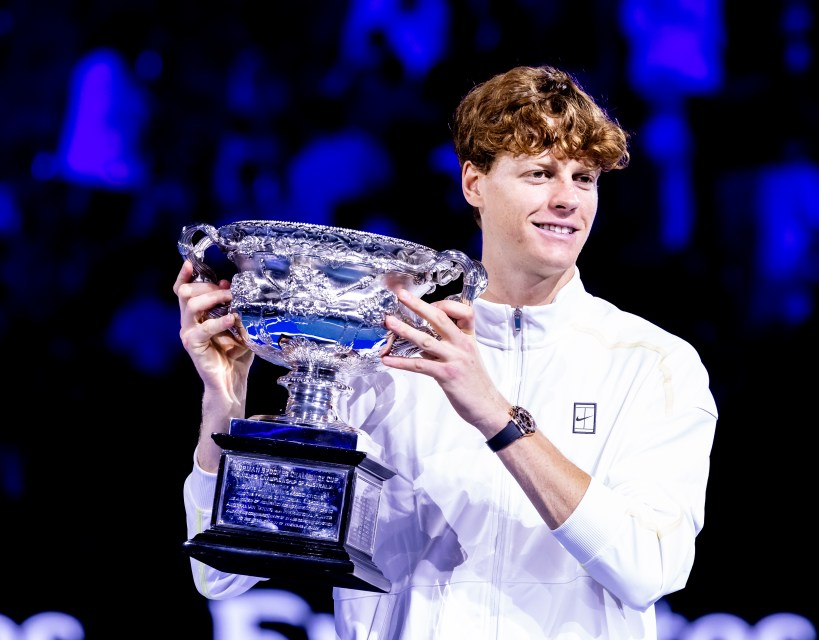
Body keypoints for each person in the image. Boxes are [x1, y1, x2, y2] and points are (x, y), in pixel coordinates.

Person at [175, 64, 718, 639]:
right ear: (473, 184)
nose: (567, 199)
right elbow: (220, 577)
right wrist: (224, 403)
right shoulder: (384, 352)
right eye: (539, 173)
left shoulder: (653, 362)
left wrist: (498, 418)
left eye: (584, 178)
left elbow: (650, 569)